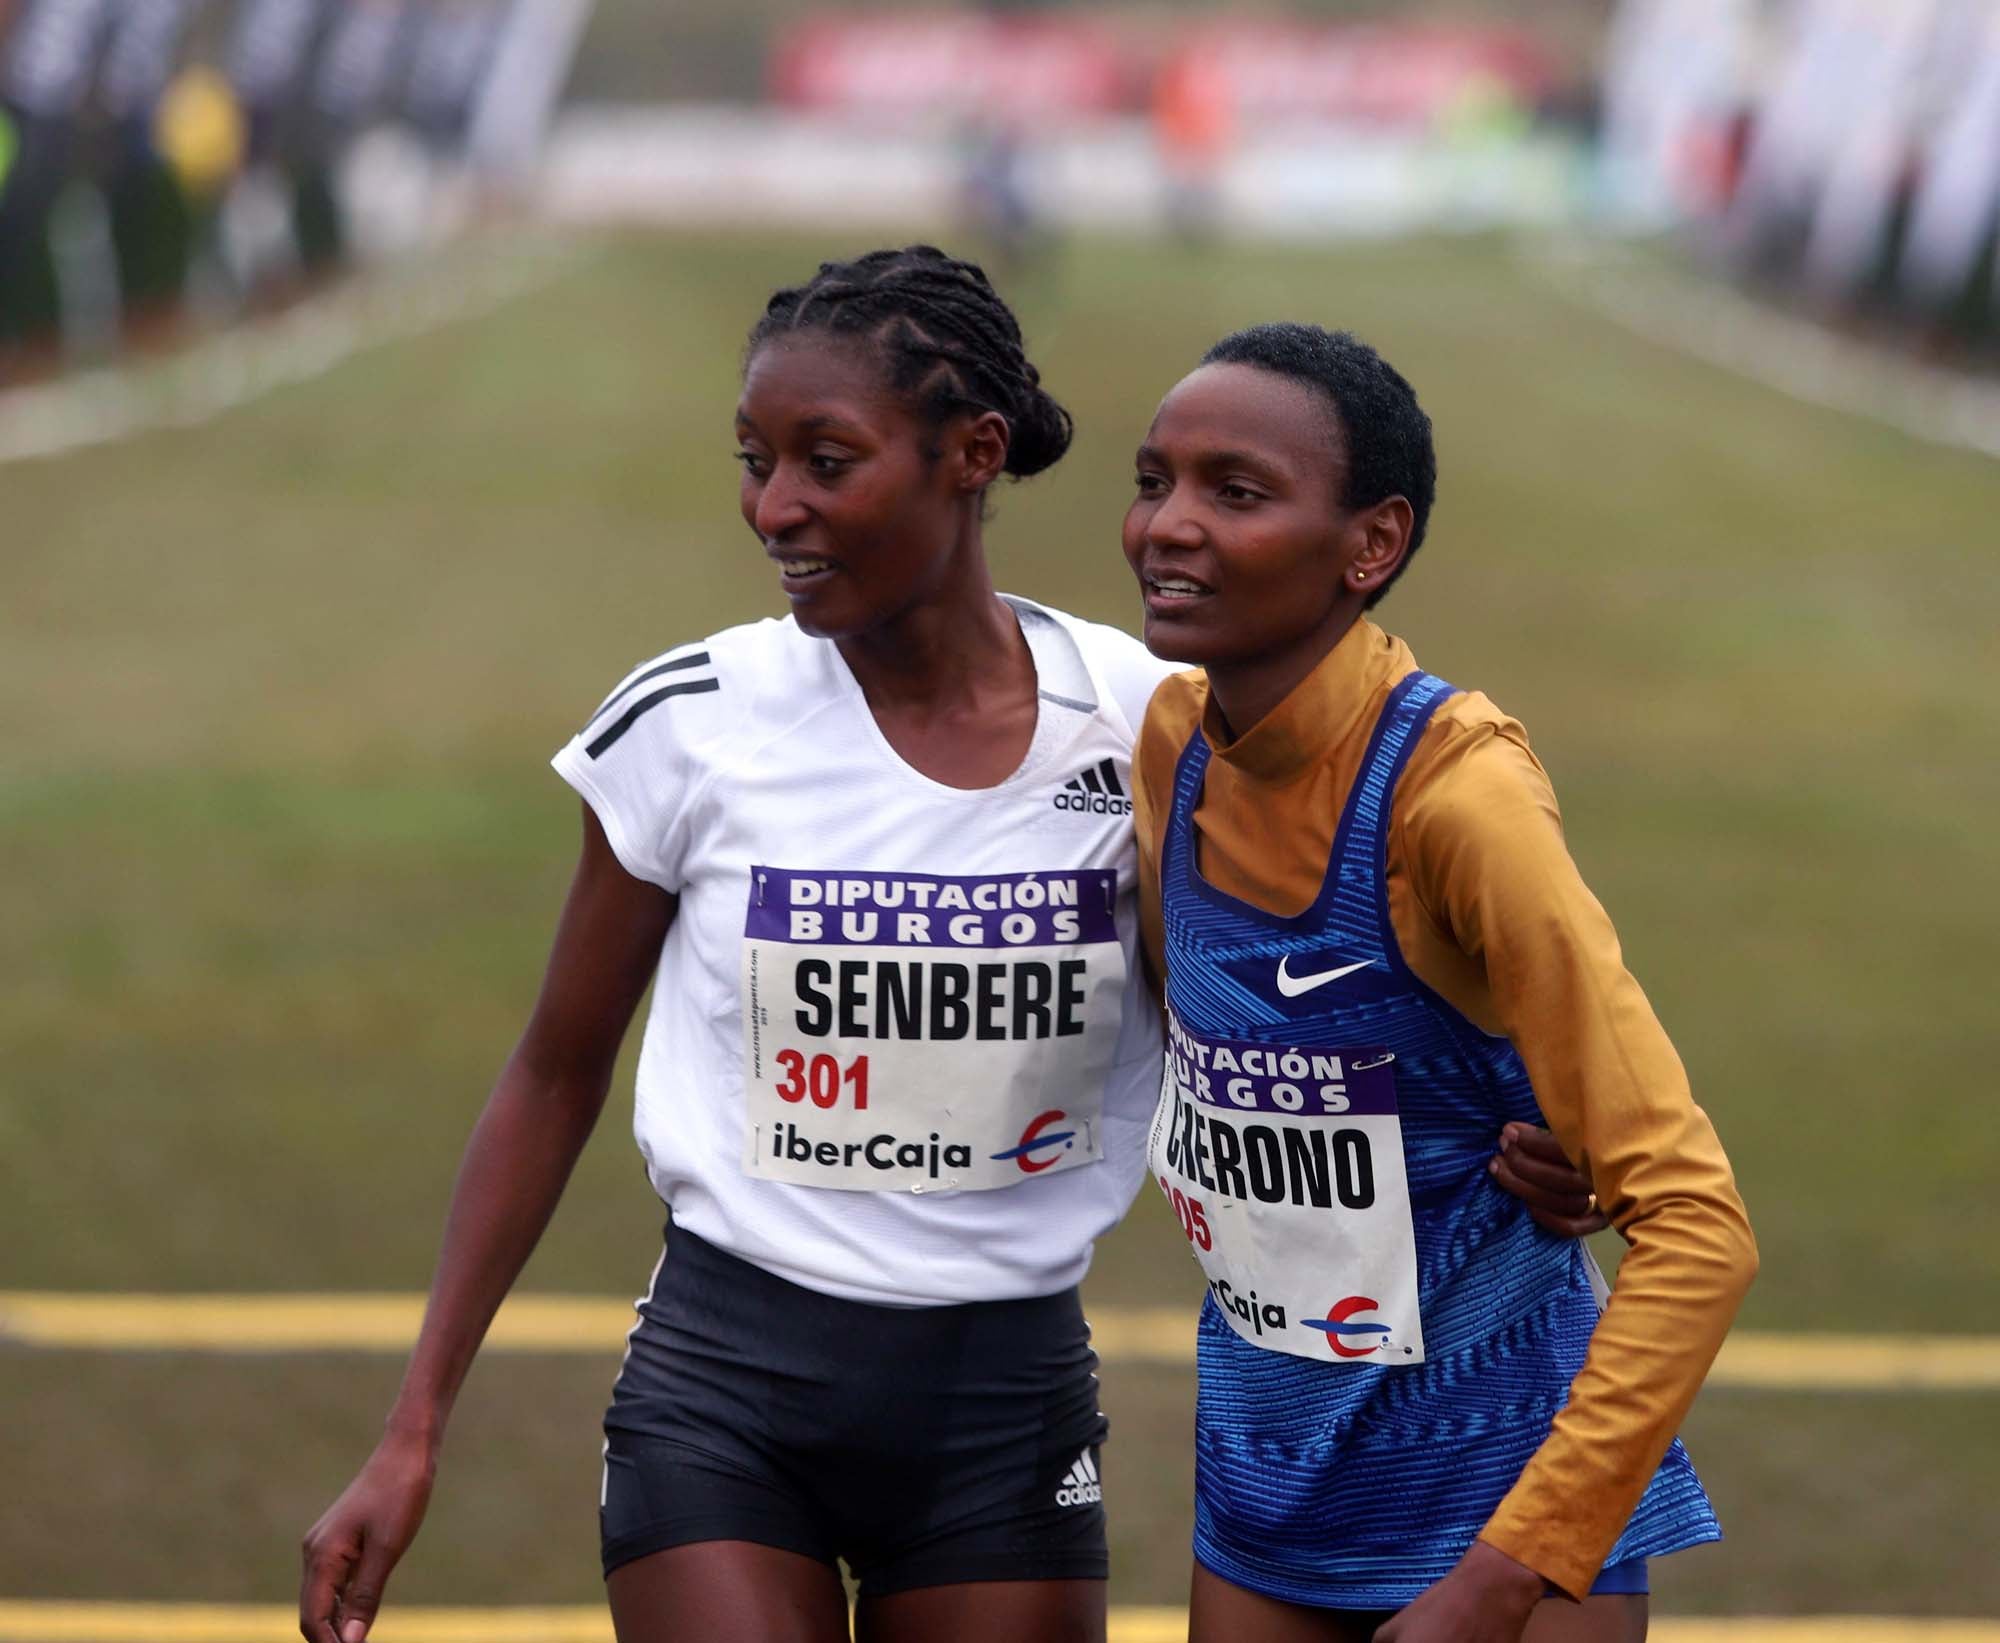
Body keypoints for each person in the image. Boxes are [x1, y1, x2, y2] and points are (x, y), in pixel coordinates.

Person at [297, 248, 1596, 1643]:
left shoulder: (1148, 723)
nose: (775, 507)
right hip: (724, 1391)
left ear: (971, 456)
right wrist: (413, 1426)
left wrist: (1524, 1124)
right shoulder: (688, 723)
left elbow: (1288, 1011)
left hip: (1005, 1409)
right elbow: (555, 1073)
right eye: (755, 459)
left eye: (827, 461)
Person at [1125, 323, 1758, 1643]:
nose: (1166, 527)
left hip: (1495, 1518)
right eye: (1155, 482)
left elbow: (1700, 1228)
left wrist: (1506, 1575)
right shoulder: (1175, 741)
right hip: (1261, 1487)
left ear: (1372, 545)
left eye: (1234, 493)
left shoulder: (1454, 799)